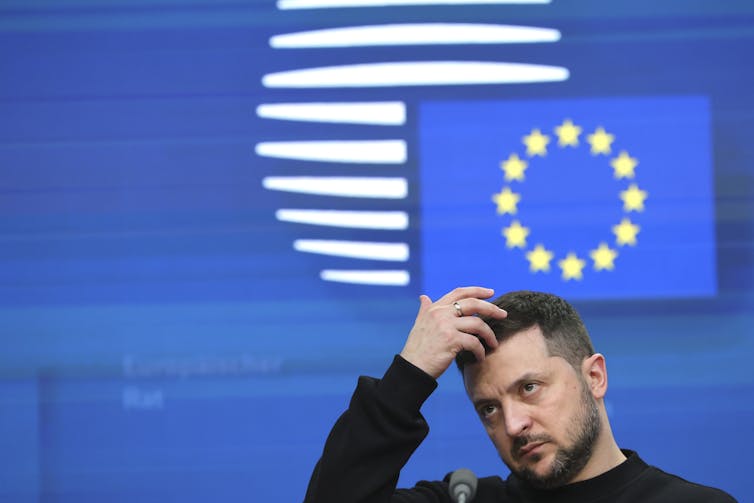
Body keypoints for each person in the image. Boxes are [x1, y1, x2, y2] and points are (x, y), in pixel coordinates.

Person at [304, 287, 737, 502]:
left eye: (529, 388)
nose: (513, 425)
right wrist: (409, 375)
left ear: (595, 377)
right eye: (489, 408)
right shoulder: (466, 498)